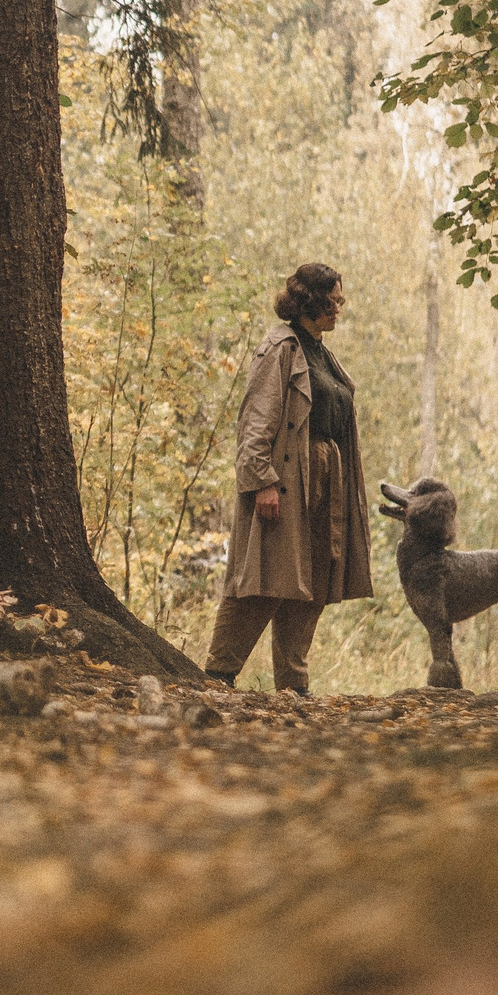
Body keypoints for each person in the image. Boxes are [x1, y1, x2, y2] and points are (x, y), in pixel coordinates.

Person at [205, 262, 372, 694]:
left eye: (340, 301)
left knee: (314, 578)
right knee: (263, 579)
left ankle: (293, 687)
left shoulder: (321, 352)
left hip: (326, 474)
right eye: (332, 302)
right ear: (310, 302)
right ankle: (218, 675)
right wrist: (262, 480)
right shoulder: (280, 348)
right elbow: (255, 421)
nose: (338, 309)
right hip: (286, 476)